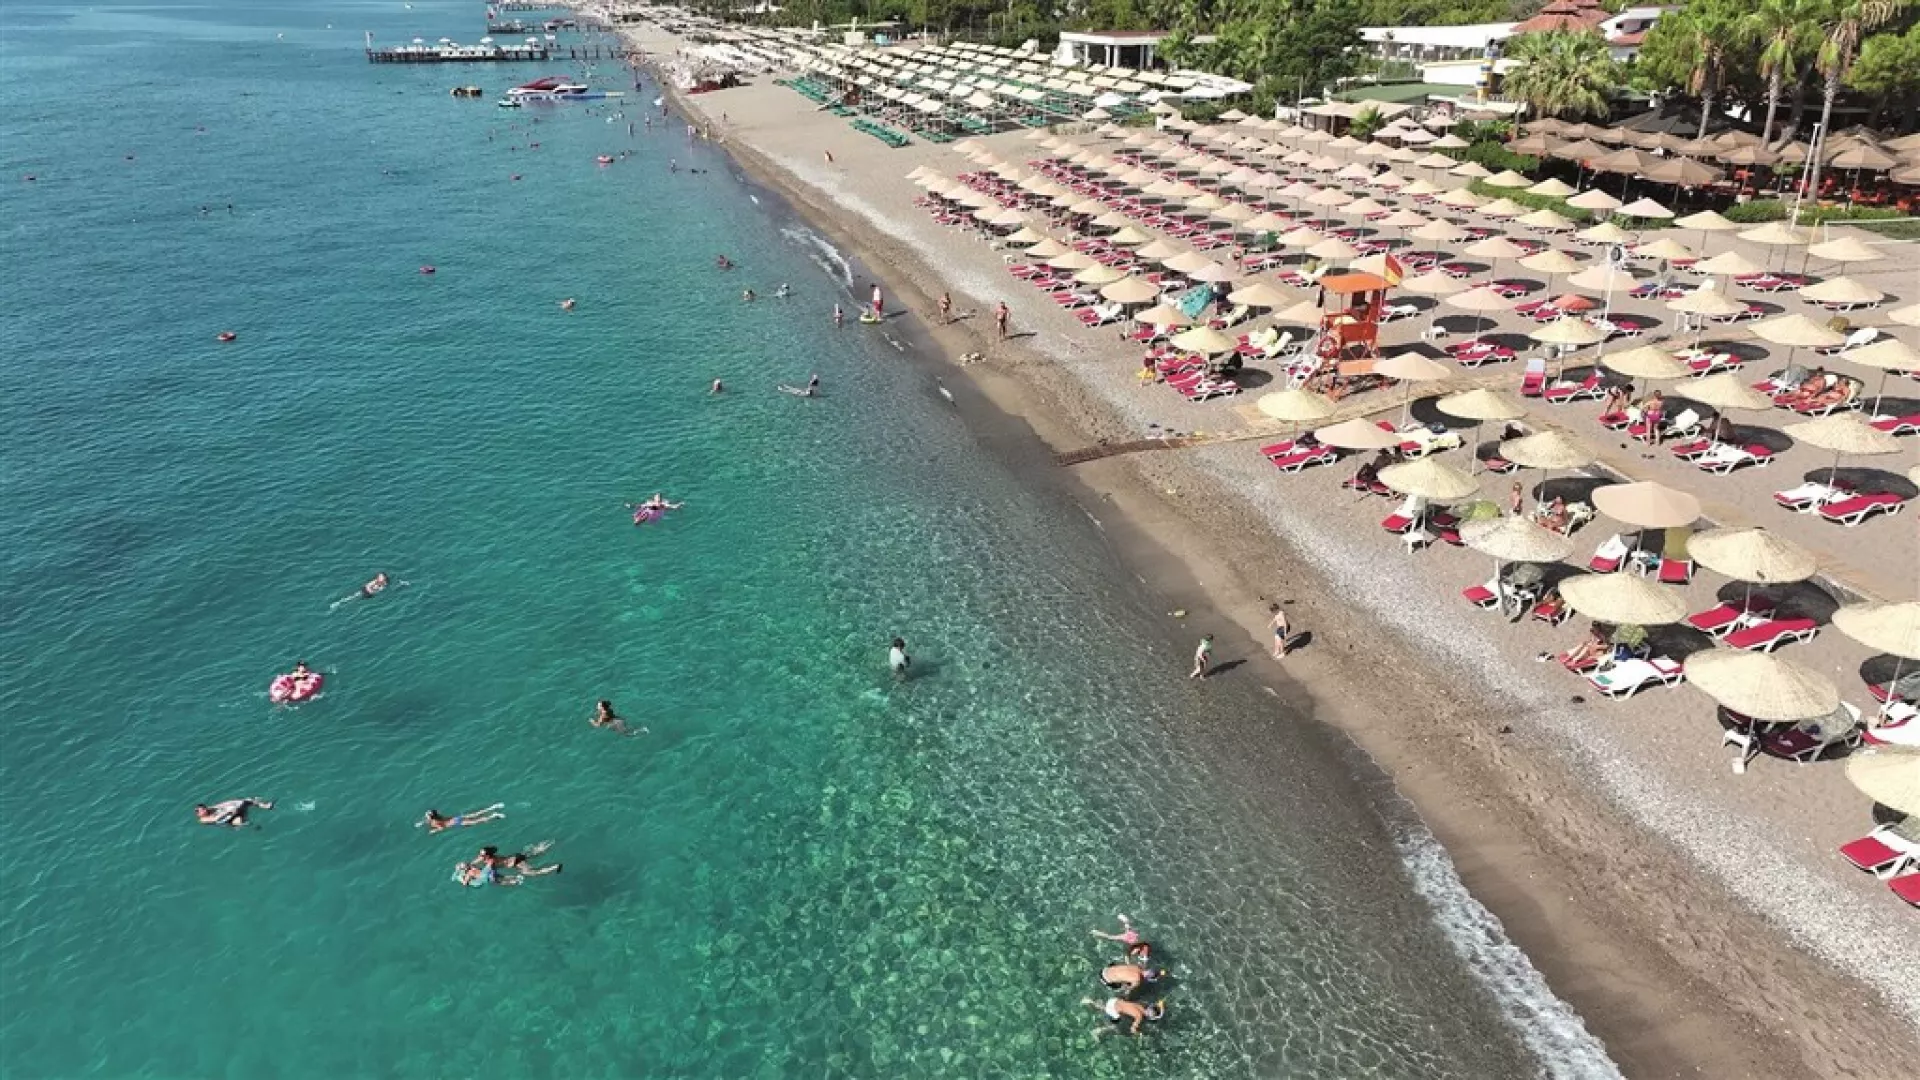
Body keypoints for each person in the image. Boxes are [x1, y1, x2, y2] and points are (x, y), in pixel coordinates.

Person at [1081, 996, 1166, 1037]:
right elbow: (1132, 1029)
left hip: (1114, 1000)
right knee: (1115, 1026)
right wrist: (1139, 1034)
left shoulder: (1140, 1006)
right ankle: (1098, 1031)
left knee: (1104, 1007)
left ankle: (1089, 1000)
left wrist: (1160, 1005)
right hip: (1113, 1009)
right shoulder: (1139, 1017)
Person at [196, 797, 273, 828]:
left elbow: (221, 805)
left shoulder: (209, 809)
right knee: (242, 822)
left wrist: (234, 803)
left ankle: (266, 806)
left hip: (230, 814)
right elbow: (215, 819)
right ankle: (255, 827)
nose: (204, 810)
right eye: (202, 811)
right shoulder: (203, 820)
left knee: (247, 800)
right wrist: (228, 811)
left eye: (204, 809)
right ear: (198, 814)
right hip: (228, 822)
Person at [423, 805, 505, 832]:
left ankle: (493, 815)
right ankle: (492, 807)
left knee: (476, 821)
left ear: (431, 817)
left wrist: (434, 830)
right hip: (456, 818)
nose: (426, 816)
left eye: (427, 815)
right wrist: (422, 823)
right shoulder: (438, 816)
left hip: (456, 823)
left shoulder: (434, 822)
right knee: (475, 814)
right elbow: (429, 819)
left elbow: (442, 828)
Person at [1100, 963, 1166, 996]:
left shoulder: (1137, 966)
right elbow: (1128, 989)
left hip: (1105, 970)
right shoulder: (1137, 980)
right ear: (1149, 978)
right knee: (1123, 989)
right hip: (1106, 979)